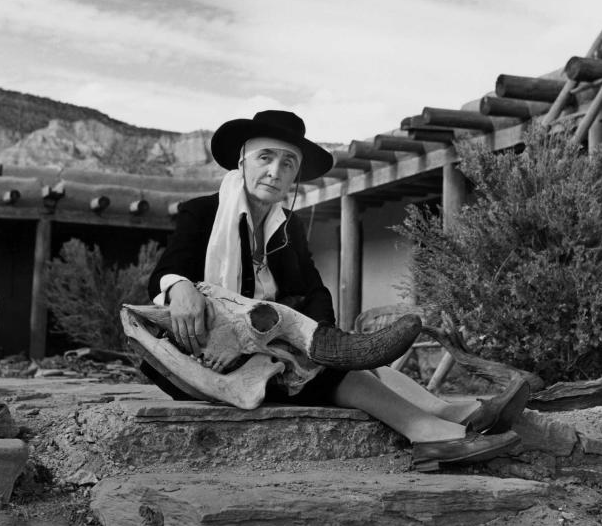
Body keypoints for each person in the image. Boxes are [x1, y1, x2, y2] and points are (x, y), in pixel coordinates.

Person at [146, 110, 528, 467]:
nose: (275, 171)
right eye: (265, 158)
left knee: (343, 360)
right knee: (329, 371)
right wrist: (179, 287)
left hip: (270, 343)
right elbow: (166, 270)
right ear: (242, 161)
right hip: (212, 357)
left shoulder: (288, 227)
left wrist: (322, 338)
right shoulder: (201, 212)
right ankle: (427, 434)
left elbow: (312, 289)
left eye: (287, 163)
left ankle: (449, 413)